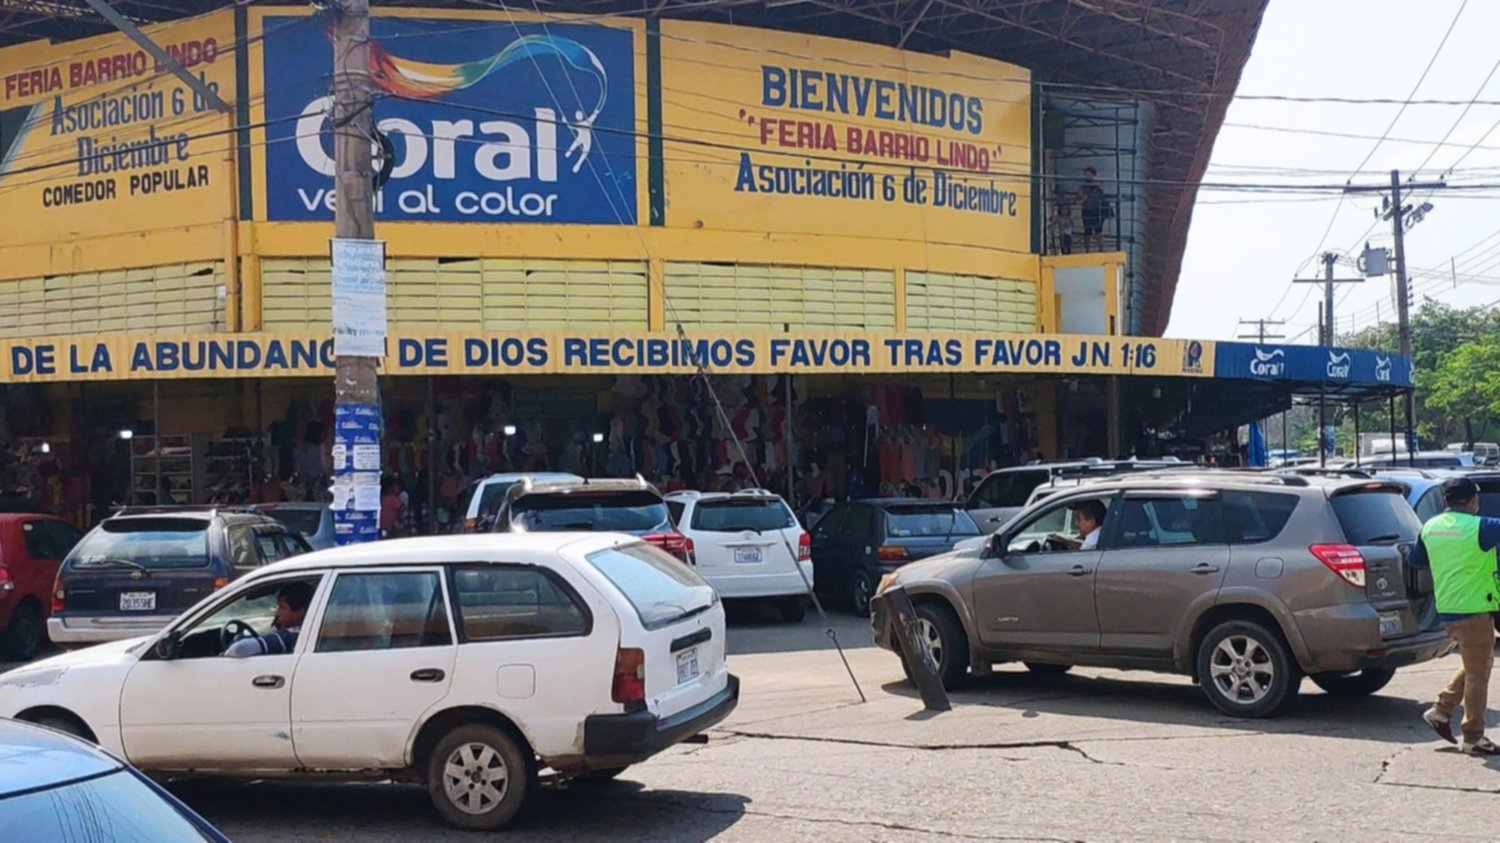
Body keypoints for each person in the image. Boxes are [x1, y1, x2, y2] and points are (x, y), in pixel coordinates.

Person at [1412, 477, 1500, 755]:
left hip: (1448, 609)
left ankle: (1441, 710)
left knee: (1477, 663)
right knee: (1478, 675)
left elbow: (1415, 560)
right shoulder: (1480, 526)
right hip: (1474, 610)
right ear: (1473, 501)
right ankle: (1473, 737)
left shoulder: (1430, 528)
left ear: (1445, 501)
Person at [225, 581, 314, 658]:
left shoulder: (290, 636)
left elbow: (239, 649)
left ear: (301, 611)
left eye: (282, 608)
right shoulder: (310, 633)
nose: (277, 613)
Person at [1077, 167, 1107, 252]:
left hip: (1097, 210)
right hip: (1087, 209)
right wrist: (1083, 197)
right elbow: (1079, 196)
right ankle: (1087, 250)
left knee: (1099, 230)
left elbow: (1102, 190)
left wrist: (1095, 183)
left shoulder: (1098, 183)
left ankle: (1101, 249)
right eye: (1086, 174)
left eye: (1089, 174)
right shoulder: (1083, 185)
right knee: (1087, 231)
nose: (1087, 176)